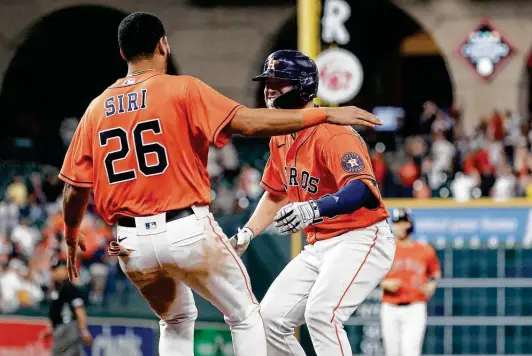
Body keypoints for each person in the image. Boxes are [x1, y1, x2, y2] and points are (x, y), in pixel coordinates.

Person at [59, 12, 381, 356]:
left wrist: (70, 236)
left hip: (129, 243)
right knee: (245, 315)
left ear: (123, 53)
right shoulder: (181, 88)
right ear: (163, 45)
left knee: (175, 321)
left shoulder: (96, 109)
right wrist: (326, 112)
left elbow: (74, 189)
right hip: (184, 228)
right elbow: (250, 123)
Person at [229, 49, 396, 356]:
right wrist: (249, 233)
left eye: (279, 82)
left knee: (321, 314)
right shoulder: (280, 135)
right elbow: (276, 193)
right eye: (268, 81)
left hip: (360, 237)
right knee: (268, 319)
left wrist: (313, 208)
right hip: (319, 245)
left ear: (303, 86)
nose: (270, 89)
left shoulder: (333, 133)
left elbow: (361, 189)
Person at [380, 208, 441, 356]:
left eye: (403, 222)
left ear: (410, 223)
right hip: (390, 306)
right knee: (391, 352)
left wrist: (431, 284)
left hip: (415, 306)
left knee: (411, 352)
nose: (400, 226)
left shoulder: (424, 250)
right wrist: (383, 283)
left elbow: (435, 272)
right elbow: (371, 273)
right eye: (397, 222)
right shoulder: (385, 249)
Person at [41, 259, 92, 356]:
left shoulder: (69, 287)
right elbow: (57, 312)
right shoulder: (59, 288)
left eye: (56, 269)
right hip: (62, 330)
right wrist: (51, 328)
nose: (53, 272)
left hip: (68, 330)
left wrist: (84, 330)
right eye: (53, 270)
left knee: (64, 352)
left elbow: (79, 309)